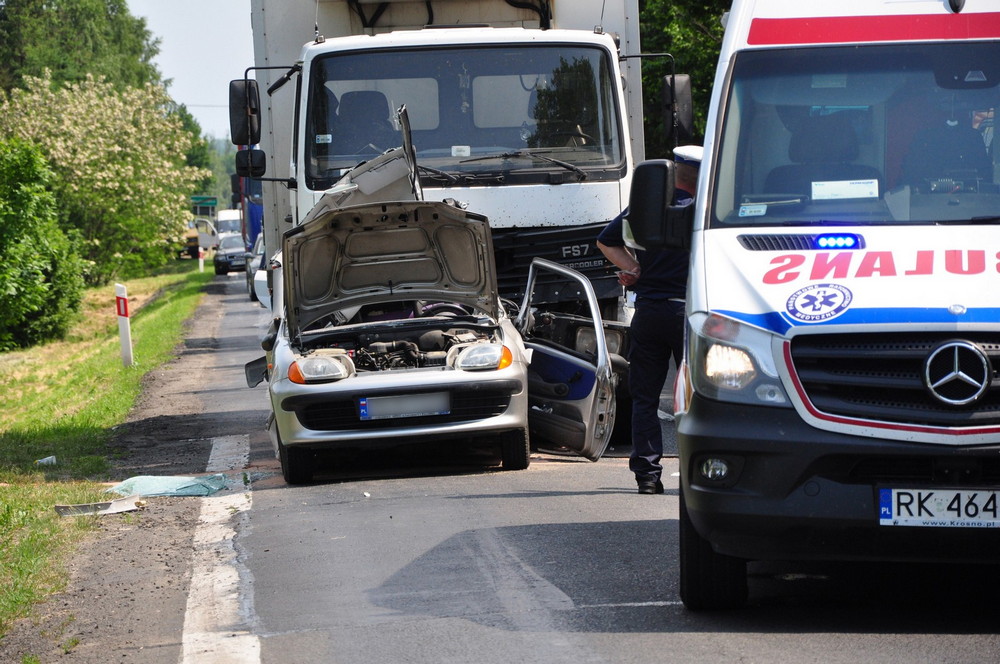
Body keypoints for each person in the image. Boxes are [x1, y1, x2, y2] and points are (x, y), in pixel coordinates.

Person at [596, 145, 702, 494]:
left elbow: (606, 240)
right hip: (691, 314)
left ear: (674, 171)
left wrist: (634, 269)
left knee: (645, 397)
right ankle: (698, 472)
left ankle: (647, 476)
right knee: (698, 396)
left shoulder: (649, 209)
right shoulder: (708, 209)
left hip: (650, 312)